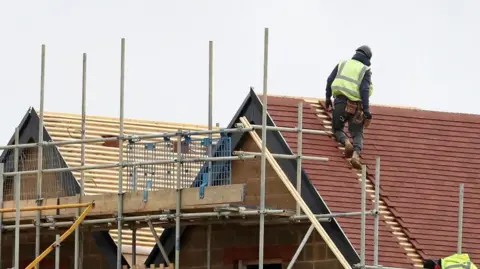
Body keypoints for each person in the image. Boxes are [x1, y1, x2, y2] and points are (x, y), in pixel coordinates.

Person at [324, 45, 374, 169]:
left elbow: (330, 80)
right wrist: (366, 111)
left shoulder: (342, 64)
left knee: (337, 128)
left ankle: (346, 142)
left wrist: (327, 98)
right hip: (357, 107)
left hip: (341, 102)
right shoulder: (365, 70)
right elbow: (364, 90)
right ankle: (356, 154)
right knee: (357, 132)